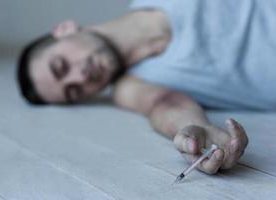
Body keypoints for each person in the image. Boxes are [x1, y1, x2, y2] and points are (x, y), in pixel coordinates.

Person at [21, 0, 276, 175]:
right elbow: (164, 104)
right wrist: (196, 131)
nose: (79, 78)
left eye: (61, 66)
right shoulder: (129, 88)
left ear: (64, 29)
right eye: (73, 91)